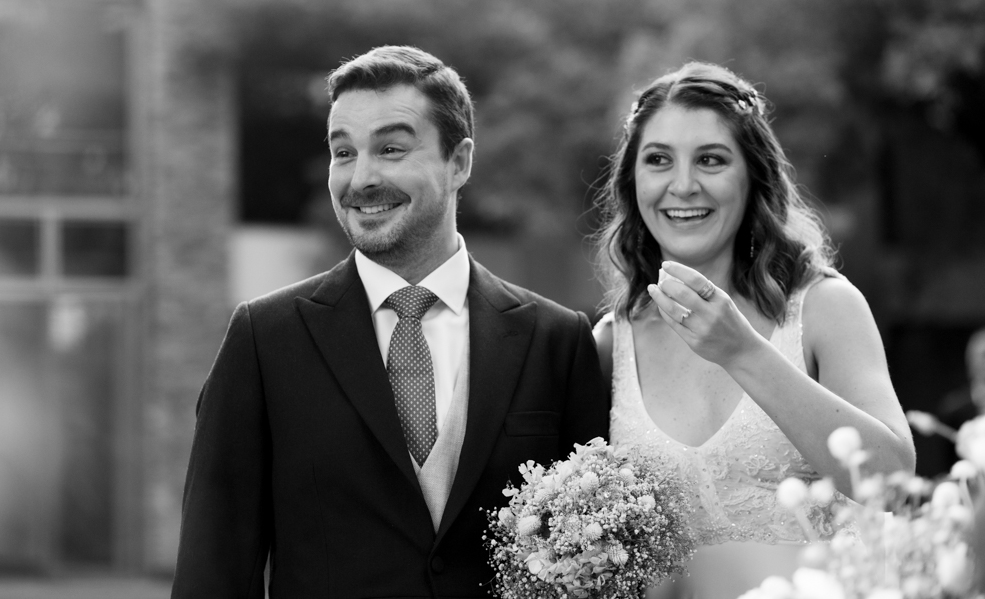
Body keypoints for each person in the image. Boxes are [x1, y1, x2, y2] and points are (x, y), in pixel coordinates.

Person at [171, 46, 610, 598]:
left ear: (460, 162)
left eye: (391, 149)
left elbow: (596, 571)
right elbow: (213, 573)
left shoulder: (557, 341)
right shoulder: (264, 340)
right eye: (343, 153)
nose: (362, 178)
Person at [592, 61, 915, 598]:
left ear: (753, 175)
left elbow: (895, 488)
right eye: (658, 161)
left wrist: (743, 352)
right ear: (633, 182)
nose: (683, 184)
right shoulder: (610, 343)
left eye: (712, 160)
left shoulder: (824, 309)